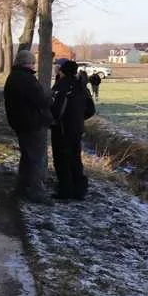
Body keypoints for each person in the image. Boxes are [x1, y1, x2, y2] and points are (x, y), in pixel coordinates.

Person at [3, 48, 53, 202]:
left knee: (27, 157)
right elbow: (41, 101)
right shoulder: (28, 80)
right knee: (35, 159)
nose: (34, 66)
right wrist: (50, 98)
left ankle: (22, 188)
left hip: (19, 123)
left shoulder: (13, 77)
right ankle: (35, 192)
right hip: (32, 124)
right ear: (27, 63)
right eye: (32, 63)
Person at [50, 59, 95, 200]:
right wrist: (79, 119)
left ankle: (65, 191)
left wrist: (53, 120)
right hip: (77, 128)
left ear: (62, 71)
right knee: (75, 159)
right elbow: (91, 109)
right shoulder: (81, 86)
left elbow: (56, 110)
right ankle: (79, 190)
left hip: (62, 129)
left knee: (62, 160)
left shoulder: (61, 87)